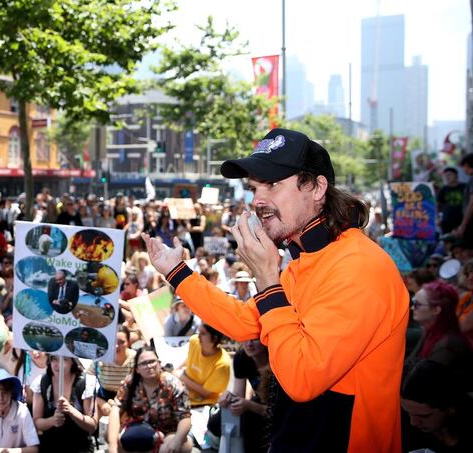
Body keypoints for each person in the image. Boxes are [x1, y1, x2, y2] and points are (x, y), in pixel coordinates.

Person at [142, 128, 410, 451]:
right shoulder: (304, 258)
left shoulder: (360, 267)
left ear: (316, 188)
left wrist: (268, 278)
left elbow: (302, 378)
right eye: (255, 187)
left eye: (272, 184)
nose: (257, 200)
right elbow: (245, 321)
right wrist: (178, 272)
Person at [106, 345, 192, 453]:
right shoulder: (130, 383)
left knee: (173, 447)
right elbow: (116, 409)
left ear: (159, 364)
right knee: (112, 436)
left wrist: (177, 440)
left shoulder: (174, 384)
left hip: (168, 433)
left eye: (152, 361)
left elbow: (185, 416)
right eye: (143, 363)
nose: (149, 366)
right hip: (139, 429)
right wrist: (112, 446)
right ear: (137, 369)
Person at [405, 280, 473, 385]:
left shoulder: (448, 345)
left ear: (436, 310)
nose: (412, 307)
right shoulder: (430, 332)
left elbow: (424, 386)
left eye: (417, 304)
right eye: (413, 302)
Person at [401, 359, 473, 452]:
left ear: (450, 408)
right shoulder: (403, 424)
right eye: (408, 412)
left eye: (424, 416)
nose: (413, 422)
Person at [31, 355, 97, 453]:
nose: (58, 365)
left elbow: (92, 425)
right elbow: (37, 422)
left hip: (79, 446)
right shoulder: (42, 382)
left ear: (73, 362)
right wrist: (52, 421)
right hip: (50, 445)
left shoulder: (85, 384)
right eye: (54, 359)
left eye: (64, 360)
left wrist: (71, 411)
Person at [177, 323, 230, 408]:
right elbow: (190, 356)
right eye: (199, 332)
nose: (198, 336)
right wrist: (177, 369)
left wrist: (181, 376)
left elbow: (205, 392)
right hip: (182, 391)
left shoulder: (223, 364)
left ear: (215, 338)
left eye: (203, 333)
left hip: (203, 404)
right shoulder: (194, 341)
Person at [89, 325, 135, 418]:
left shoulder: (135, 358)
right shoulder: (101, 357)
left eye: (122, 342)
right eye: (114, 342)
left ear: (128, 342)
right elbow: (87, 384)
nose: (117, 346)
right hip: (102, 397)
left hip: (125, 399)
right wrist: (101, 402)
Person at [438, 167, 465, 235]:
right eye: (445, 175)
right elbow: (438, 205)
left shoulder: (465, 187)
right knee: (447, 242)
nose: (447, 177)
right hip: (447, 222)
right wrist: (438, 218)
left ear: (456, 175)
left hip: (462, 221)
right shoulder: (443, 189)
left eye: (449, 175)